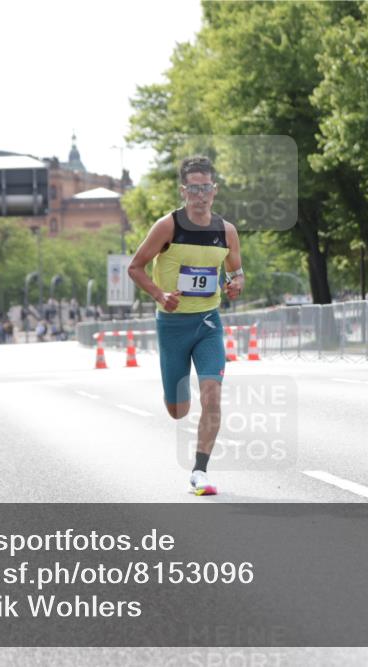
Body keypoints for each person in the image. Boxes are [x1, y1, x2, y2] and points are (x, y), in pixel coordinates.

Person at [127, 156, 244, 496]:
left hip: (208, 323)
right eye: (193, 188)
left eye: (205, 187)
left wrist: (236, 283)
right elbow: (135, 267)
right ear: (184, 190)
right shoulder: (168, 226)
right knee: (178, 410)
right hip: (173, 326)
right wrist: (160, 293)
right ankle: (174, 393)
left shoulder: (226, 231)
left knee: (212, 395)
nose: (200, 194)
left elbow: (236, 272)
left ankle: (199, 471)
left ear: (214, 190)